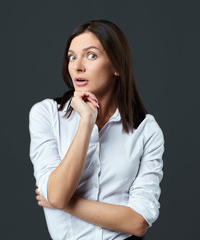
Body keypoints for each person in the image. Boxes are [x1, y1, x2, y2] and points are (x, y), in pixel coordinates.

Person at [29, 20, 164, 240]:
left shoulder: (146, 130)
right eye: (72, 57)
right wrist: (86, 121)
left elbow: (138, 222)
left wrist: (66, 204)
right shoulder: (46, 114)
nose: (78, 66)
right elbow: (57, 194)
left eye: (91, 55)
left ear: (117, 67)